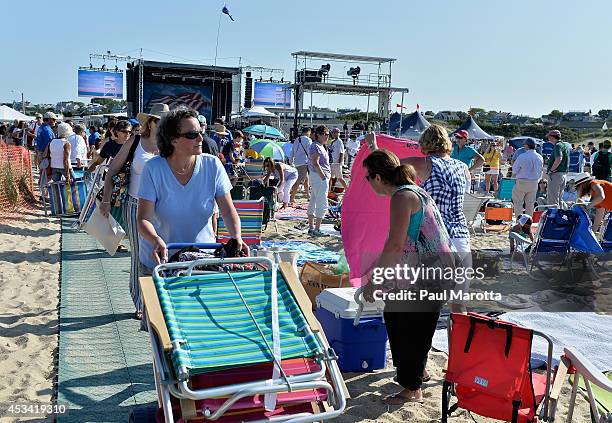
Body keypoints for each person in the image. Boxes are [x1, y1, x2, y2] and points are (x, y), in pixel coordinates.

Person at [361, 149, 455, 405]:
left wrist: (375, 281)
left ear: (379, 177)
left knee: (405, 326)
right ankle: (419, 372)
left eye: (367, 177)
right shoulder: (414, 190)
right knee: (415, 325)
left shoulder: (402, 197)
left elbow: (395, 244)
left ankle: (412, 389)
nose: (367, 182)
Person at [366, 125, 472, 313]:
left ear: (424, 143)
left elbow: (388, 168)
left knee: (421, 305)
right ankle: (456, 342)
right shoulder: (463, 167)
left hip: (434, 239)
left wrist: (373, 146)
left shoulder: (424, 164)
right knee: (459, 306)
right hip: (461, 238)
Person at [137, 107, 248, 273]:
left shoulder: (213, 165)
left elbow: (228, 210)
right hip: (160, 261)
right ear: (173, 139)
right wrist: (155, 240)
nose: (201, 138)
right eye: (192, 135)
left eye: (201, 131)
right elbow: (143, 218)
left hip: (202, 261)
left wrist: (237, 236)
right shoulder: (153, 168)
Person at [100, 106, 164, 319]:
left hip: (163, 208)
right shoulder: (135, 142)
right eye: (158, 120)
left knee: (160, 254)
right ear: (150, 122)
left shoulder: (171, 144)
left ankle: (159, 300)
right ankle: (141, 302)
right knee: (139, 255)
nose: (162, 123)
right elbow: (112, 171)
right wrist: (106, 200)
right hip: (135, 205)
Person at [307, 125, 331, 236]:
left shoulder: (320, 146)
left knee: (314, 199)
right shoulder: (316, 146)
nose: (327, 136)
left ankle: (312, 227)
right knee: (321, 202)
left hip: (317, 176)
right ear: (319, 135)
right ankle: (316, 229)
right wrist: (323, 177)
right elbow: (315, 162)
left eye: (328, 134)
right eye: (325, 134)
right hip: (319, 176)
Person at [511, 138, 543, 216]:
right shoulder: (539, 157)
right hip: (534, 182)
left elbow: (514, 170)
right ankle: (528, 222)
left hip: (522, 181)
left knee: (518, 202)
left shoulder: (522, 156)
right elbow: (540, 171)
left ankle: (519, 222)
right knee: (530, 204)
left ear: (526, 145)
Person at [545, 129, 571, 206]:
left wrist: (551, 170)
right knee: (559, 199)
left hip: (556, 174)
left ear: (552, 137)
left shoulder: (557, 146)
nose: (548, 139)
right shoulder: (565, 145)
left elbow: (559, 158)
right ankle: (560, 215)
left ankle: (553, 217)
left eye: (549, 137)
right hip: (563, 174)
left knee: (553, 200)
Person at [290, 126, 312, 203]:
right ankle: (292, 198)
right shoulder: (308, 140)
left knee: (306, 179)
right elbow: (310, 152)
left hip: (296, 162)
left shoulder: (297, 139)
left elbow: (292, 151)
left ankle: (308, 196)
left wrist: (291, 161)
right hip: (304, 162)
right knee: (298, 181)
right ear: (308, 132)